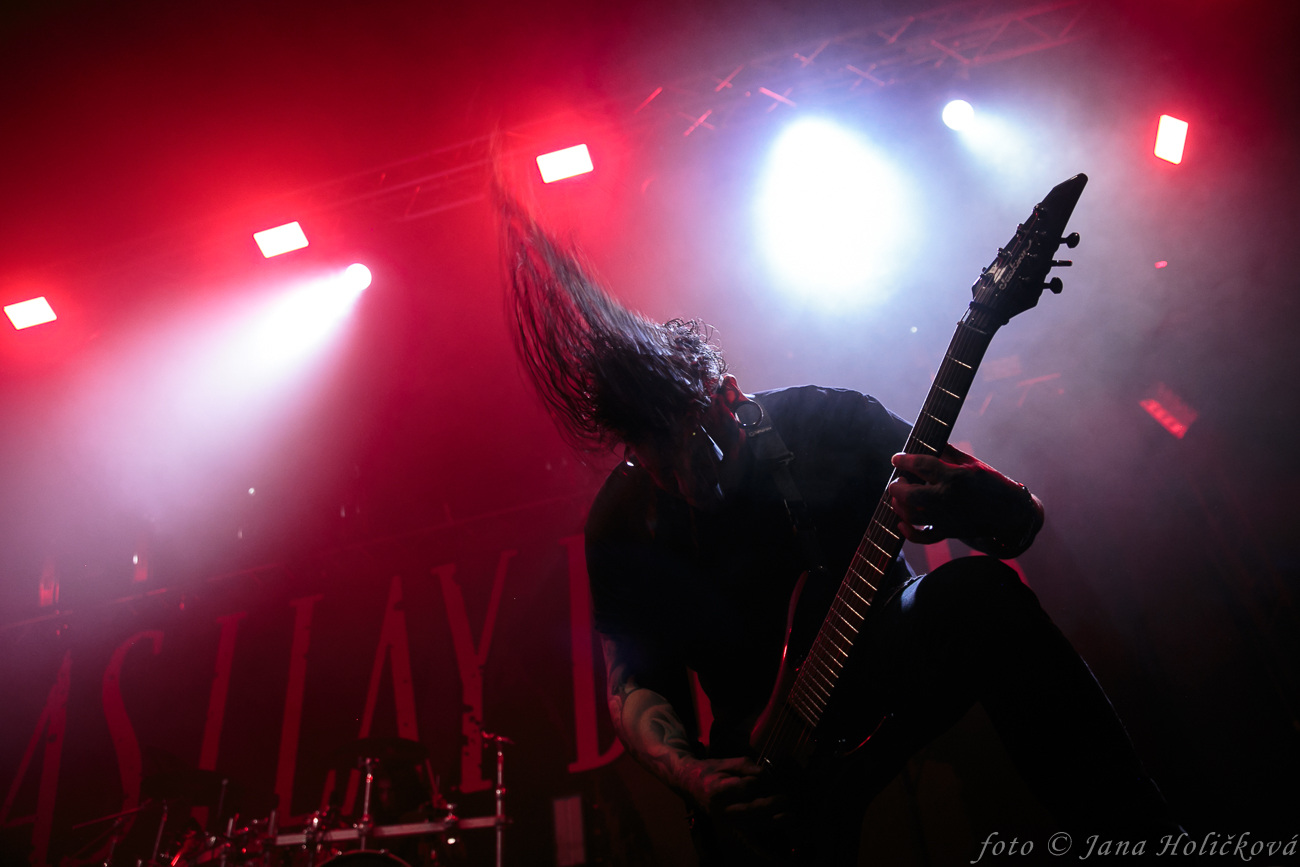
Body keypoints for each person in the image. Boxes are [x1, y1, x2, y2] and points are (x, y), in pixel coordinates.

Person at [498, 191, 1177, 865]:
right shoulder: (621, 523)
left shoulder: (830, 420)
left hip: (889, 665)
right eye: (662, 472)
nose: (691, 485)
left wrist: (976, 497)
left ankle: (1141, 837)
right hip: (770, 764)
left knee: (979, 592)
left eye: (701, 452)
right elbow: (634, 685)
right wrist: (695, 776)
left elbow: (1019, 528)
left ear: (729, 394)